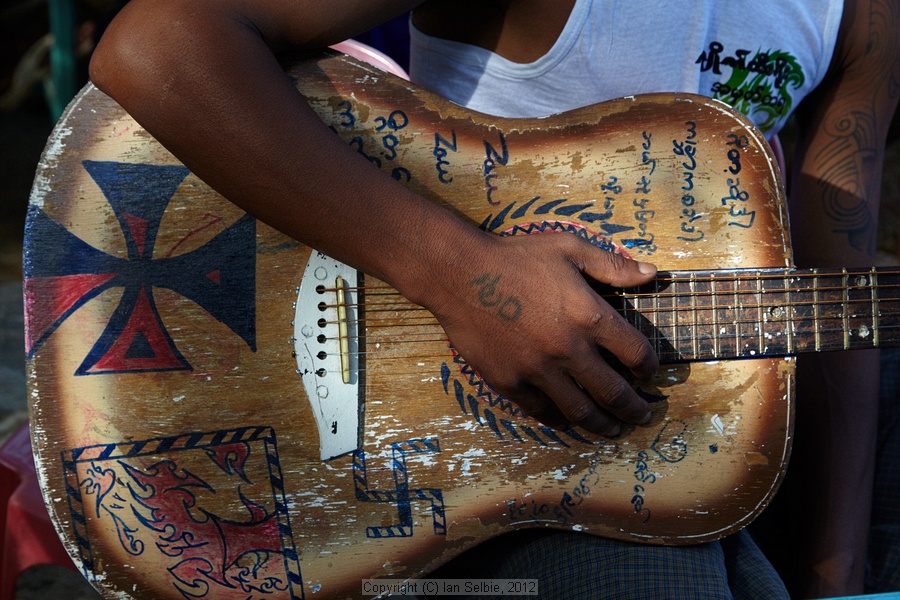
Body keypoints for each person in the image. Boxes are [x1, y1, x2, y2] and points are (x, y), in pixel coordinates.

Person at [87, 1, 899, 598]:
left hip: (676, 428)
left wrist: (840, 578)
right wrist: (463, 278)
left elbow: (838, 307)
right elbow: (157, 45)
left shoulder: (862, 16)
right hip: (416, 454)